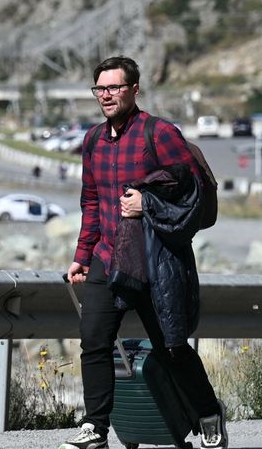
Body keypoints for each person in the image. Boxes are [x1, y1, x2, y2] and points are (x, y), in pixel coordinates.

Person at [60, 56, 227, 449]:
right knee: (94, 341)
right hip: (107, 256)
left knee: (171, 348)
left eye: (115, 87)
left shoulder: (160, 133)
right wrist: (82, 254)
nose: (106, 95)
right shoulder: (92, 140)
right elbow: (91, 201)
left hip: (155, 261)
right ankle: (95, 429)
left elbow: (191, 191)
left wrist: (146, 203)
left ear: (134, 89)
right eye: (100, 88)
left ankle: (207, 413)